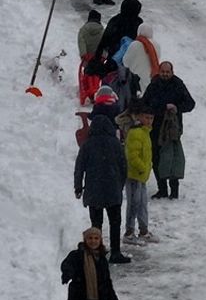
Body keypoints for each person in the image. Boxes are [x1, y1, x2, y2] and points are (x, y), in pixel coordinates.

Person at [74, 115, 131, 264]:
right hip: (112, 190)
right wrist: (120, 184)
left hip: (94, 191)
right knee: (115, 222)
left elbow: (79, 167)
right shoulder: (116, 144)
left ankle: (96, 252)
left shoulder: (87, 145)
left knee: (96, 223)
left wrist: (78, 187)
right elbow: (124, 166)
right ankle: (116, 252)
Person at [141, 61, 195, 200]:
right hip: (155, 128)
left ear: (172, 72)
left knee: (172, 159)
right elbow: (144, 103)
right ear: (159, 71)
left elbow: (190, 104)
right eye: (163, 72)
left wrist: (176, 107)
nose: (165, 74)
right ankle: (162, 189)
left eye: (167, 72)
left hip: (172, 129)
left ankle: (174, 191)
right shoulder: (154, 85)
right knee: (156, 158)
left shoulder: (178, 84)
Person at [124, 104, 155, 240]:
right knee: (134, 205)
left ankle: (144, 230)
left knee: (142, 204)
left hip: (141, 176)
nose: (149, 121)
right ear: (139, 117)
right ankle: (129, 232)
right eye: (147, 118)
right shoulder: (136, 133)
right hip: (134, 175)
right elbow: (132, 156)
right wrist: (142, 167)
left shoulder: (145, 132)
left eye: (151, 118)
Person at [121, 23, 160, 95]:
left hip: (134, 80)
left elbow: (125, 62)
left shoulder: (135, 44)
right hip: (150, 78)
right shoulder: (157, 45)